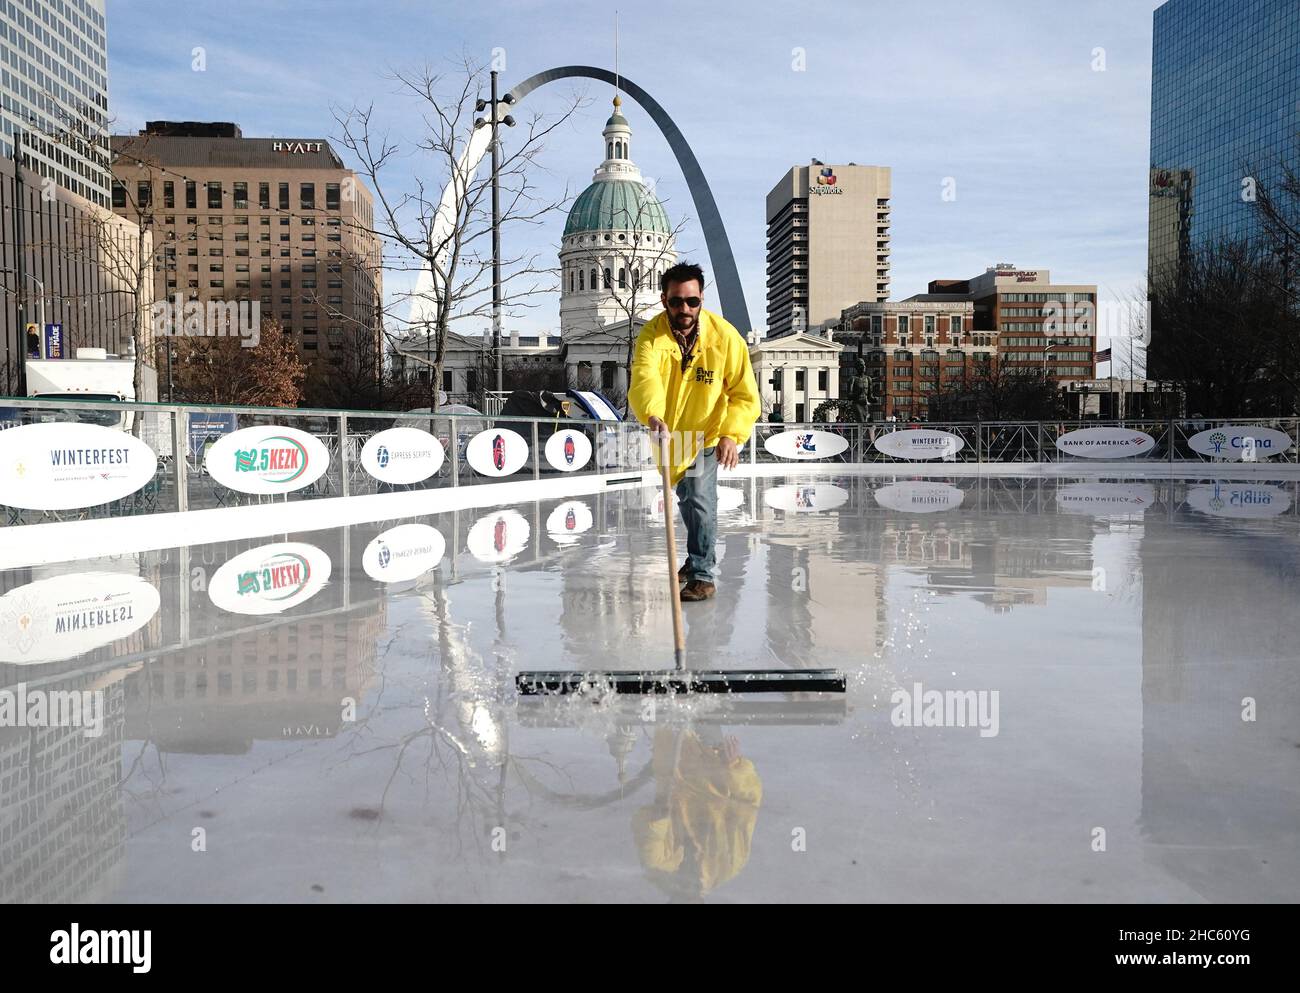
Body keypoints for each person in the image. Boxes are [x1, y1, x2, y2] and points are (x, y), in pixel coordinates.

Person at [628, 262, 760, 601]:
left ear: (702, 299)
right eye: (676, 302)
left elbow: (745, 395)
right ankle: (697, 556)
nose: (684, 309)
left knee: (701, 500)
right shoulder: (651, 336)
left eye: (692, 302)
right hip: (670, 434)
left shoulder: (726, 338)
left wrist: (731, 434)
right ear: (663, 301)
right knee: (687, 500)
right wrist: (653, 416)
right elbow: (646, 379)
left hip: (706, 434)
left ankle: (703, 575)